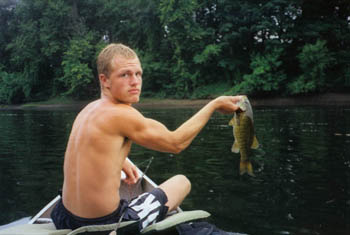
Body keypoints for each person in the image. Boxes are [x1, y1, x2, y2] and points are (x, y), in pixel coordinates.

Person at [51, 43, 242, 232]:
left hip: (63, 216)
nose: (135, 81)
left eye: (138, 74)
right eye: (124, 75)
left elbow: (91, 147)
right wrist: (214, 105)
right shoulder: (121, 114)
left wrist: (122, 160)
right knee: (181, 182)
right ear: (105, 80)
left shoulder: (89, 110)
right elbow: (176, 143)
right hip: (104, 225)